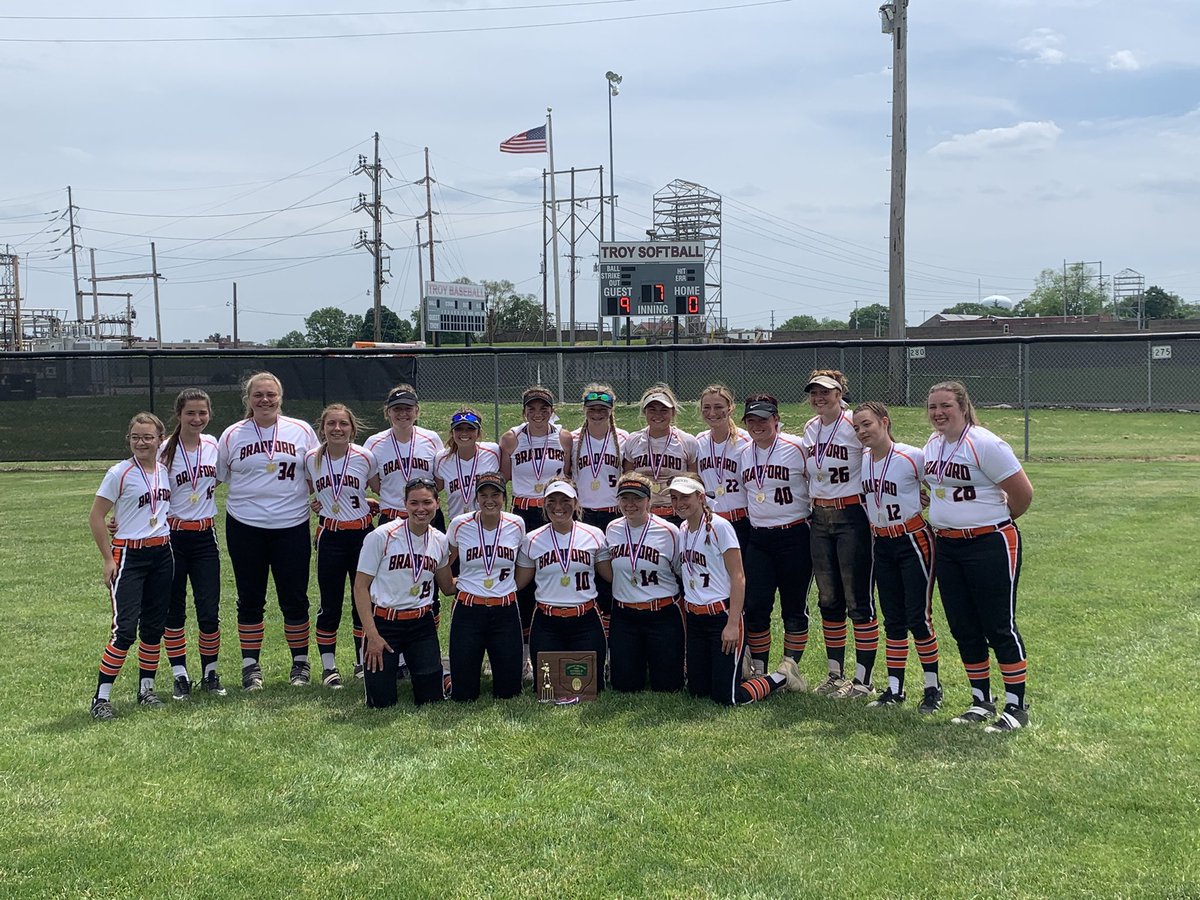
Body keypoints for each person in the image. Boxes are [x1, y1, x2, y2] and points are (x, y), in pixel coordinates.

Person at [924, 381, 1034, 732]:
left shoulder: (984, 442)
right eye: (932, 407)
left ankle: (1016, 707)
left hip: (990, 542)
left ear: (962, 406)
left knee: (999, 625)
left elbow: (1023, 494)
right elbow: (937, 487)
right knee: (963, 626)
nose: (939, 413)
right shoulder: (933, 444)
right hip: (949, 545)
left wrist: (991, 520)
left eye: (946, 406)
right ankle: (981, 700)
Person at [216, 371, 319, 691]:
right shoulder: (232, 434)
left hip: (291, 524)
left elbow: (321, 471)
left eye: (270, 394)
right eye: (258, 395)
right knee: (250, 598)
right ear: (247, 400)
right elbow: (215, 476)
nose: (264, 400)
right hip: (246, 525)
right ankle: (250, 666)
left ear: (281, 397)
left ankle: (300, 663)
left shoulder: (301, 430)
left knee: (295, 598)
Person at [669, 476, 805, 706]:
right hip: (695, 618)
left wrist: (732, 624)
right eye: (674, 498)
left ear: (701, 497)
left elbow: (738, 577)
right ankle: (733, 667)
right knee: (697, 691)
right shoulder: (683, 528)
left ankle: (781, 676)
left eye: (685, 496)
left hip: (720, 617)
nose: (679, 502)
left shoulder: (720, 527)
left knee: (727, 698)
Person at [851, 401, 943, 712]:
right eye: (857, 427)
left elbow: (940, 486)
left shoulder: (911, 455)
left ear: (885, 422)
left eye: (868, 424)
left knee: (919, 616)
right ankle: (895, 689)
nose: (863, 431)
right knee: (893, 618)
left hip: (912, 538)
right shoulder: (863, 459)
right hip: (882, 542)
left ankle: (933, 688)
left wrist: (928, 499)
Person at [87, 413, 174, 719]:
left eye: (148, 437)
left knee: (153, 627)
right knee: (124, 630)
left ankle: (146, 690)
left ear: (159, 439)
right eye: (135, 437)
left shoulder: (164, 471)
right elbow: (96, 516)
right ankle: (101, 698)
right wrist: (108, 558)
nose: (141, 443)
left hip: (162, 554)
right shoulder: (119, 473)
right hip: (129, 557)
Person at [802, 370, 880, 699]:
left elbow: (879, 456)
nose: (820, 397)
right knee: (828, 598)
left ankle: (863, 681)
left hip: (851, 515)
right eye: (814, 392)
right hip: (819, 517)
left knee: (857, 599)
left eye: (827, 392)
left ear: (840, 393)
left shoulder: (853, 424)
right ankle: (835, 674)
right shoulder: (810, 428)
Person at [365, 384, 447, 676]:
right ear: (387, 413)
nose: (403, 413)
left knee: (428, 585)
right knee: (392, 583)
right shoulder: (374, 442)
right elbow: (374, 482)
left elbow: (438, 480)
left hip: (426, 517)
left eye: (408, 408)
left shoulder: (431, 438)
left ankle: (424, 650)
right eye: (397, 409)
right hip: (392, 517)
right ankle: (392, 656)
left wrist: (422, 505)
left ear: (417, 411)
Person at [353, 476, 456, 708]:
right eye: (414, 503)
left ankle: (443, 674)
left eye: (427, 502)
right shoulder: (382, 536)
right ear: (405, 504)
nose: (421, 509)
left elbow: (447, 586)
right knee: (381, 702)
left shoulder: (440, 540)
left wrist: (482, 581)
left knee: (430, 698)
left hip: (421, 624)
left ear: (437, 504)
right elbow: (360, 587)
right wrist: (372, 635)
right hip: (385, 623)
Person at [737, 394, 813, 680]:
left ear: (776, 419)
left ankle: (790, 668)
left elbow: (819, 477)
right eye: (752, 420)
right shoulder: (745, 452)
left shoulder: (797, 447)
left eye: (764, 419)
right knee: (756, 604)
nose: (758, 425)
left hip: (794, 533)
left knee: (794, 606)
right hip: (759, 537)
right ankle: (759, 668)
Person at [305, 404, 379, 690]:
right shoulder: (311, 459)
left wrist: (371, 504)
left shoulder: (364, 456)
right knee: (330, 602)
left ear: (352, 428)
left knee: (363, 601)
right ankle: (328, 667)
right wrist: (316, 505)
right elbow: (311, 492)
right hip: (331, 535)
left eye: (343, 424)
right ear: (322, 428)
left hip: (362, 535)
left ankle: (361, 662)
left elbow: (377, 489)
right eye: (331, 424)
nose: (337, 429)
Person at [159, 388, 225, 699]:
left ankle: (210, 673)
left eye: (202, 413)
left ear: (209, 414)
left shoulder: (213, 445)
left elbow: (220, 478)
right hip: (172, 536)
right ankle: (179, 674)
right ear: (179, 416)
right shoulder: (164, 451)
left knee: (208, 609)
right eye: (190, 413)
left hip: (204, 536)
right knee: (173, 609)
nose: (197, 419)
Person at [515, 478, 612, 688]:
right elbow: (518, 583)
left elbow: (611, 576)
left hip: (585, 619)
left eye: (565, 500)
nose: (558, 507)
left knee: (590, 688)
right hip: (547, 621)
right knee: (548, 689)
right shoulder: (531, 540)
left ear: (576, 503)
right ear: (544, 504)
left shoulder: (594, 535)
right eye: (552, 501)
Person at [501, 386, 567, 672]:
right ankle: (525, 652)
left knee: (556, 569)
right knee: (524, 578)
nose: (537, 414)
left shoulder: (564, 437)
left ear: (552, 410)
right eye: (532, 408)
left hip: (554, 509)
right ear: (524, 411)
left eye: (543, 408)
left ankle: (560, 639)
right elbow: (504, 476)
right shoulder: (511, 439)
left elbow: (570, 474)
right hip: (524, 510)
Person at [445, 472, 526, 701]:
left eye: (495, 495)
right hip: (469, 609)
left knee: (509, 692)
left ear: (504, 497)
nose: (490, 500)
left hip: (505, 610)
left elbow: (523, 562)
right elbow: (445, 561)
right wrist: (449, 585)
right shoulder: (460, 524)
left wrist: (510, 587)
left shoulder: (516, 524)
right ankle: (448, 677)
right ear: (476, 498)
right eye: (484, 495)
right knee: (464, 695)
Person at [602, 473, 684, 693]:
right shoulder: (612, 529)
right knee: (624, 686)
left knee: (668, 686)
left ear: (649, 500)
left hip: (662, 614)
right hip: (625, 615)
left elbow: (680, 571)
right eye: (625, 498)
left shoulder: (669, 531)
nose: (630, 505)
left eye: (637, 498)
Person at [562, 383, 627, 637]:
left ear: (611, 410)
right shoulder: (574, 439)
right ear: (584, 409)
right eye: (592, 408)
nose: (597, 413)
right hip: (584, 514)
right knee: (584, 575)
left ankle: (612, 641)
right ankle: (589, 632)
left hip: (613, 514)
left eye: (603, 408)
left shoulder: (623, 438)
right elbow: (568, 473)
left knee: (612, 578)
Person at [623, 383, 699, 524]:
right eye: (652, 410)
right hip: (643, 514)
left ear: (673, 412)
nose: (658, 415)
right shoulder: (633, 440)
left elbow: (693, 481)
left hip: (676, 514)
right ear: (644, 412)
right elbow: (628, 478)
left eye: (664, 410)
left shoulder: (687, 441)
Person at [695, 384, 751, 547]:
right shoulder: (699, 441)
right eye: (707, 407)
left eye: (718, 407)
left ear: (731, 408)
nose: (712, 413)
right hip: (711, 521)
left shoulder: (746, 441)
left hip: (742, 520)